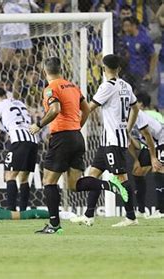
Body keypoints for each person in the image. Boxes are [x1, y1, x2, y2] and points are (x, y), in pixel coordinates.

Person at [29, 57, 128, 234]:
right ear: (61, 70)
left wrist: (39, 125)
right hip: (77, 137)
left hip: (62, 138)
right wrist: (76, 128)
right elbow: (87, 109)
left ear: (45, 71)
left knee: (48, 181)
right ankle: (109, 185)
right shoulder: (72, 87)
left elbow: (55, 110)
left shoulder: (51, 88)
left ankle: (54, 225)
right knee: (74, 185)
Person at [70, 54, 140, 227]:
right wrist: (128, 128)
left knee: (121, 178)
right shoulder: (126, 85)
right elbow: (136, 108)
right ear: (119, 68)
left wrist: (75, 126)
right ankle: (88, 216)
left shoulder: (106, 87)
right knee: (93, 174)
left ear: (103, 68)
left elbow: (89, 108)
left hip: (113, 141)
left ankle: (131, 217)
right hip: (108, 140)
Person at [0, 87, 38, 211]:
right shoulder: (20, 103)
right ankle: (23, 211)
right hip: (32, 140)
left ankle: (11, 210)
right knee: (24, 178)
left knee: (10, 175)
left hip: (18, 139)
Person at [127, 95, 164, 219]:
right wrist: (136, 160)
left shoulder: (138, 115)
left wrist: (154, 158)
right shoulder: (122, 120)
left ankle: (161, 211)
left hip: (161, 139)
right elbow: (135, 145)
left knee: (158, 168)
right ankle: (141, 211)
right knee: (137, 172)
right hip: (150, 145)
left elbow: (148, 135)